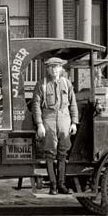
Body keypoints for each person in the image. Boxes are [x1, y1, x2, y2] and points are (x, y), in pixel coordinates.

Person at [31, 57, 78, 194]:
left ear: (61, 69)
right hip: (48, 118)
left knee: (63, 153)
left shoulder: (66, 83)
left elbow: (73, 103)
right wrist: (39, 124)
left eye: (57, 67)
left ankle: (62, 184)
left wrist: (74, 122)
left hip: (64, 118)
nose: (55, 70)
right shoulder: (42, 84)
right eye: (52, 67)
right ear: (48, 69)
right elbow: (36, 106)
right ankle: (53, 186)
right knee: (50, 153)